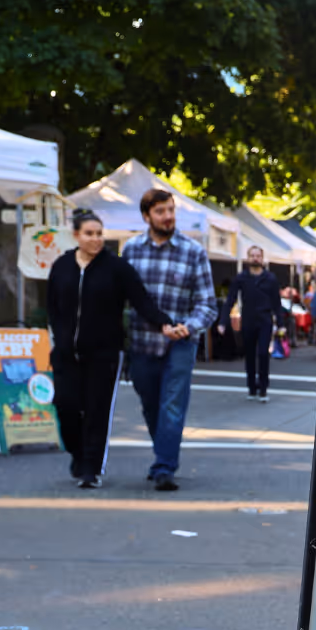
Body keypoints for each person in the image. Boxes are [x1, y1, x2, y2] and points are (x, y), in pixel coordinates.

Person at [45, 209, 176, 489]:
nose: (96, 239)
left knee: (96, 410)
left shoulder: (116, 268)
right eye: (89, 234)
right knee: (66, 407)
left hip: (103, 353)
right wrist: (60, 337)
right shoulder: (62, 266)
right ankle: (77, 453)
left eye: (99, 234)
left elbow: (142, 301)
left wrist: (164, 323)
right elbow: (53, 305)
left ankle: (90, 469)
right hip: (66, 353)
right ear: (76, 235)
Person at [123, 189, 217, 492]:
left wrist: (187, 327)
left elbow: (207, 304)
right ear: (146, 216)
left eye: (171, 210)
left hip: (180, 344)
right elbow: (124, 299)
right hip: (141, 343)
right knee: (151, 406)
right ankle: (162, 453)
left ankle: (165, 466)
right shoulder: (131, 250)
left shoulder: (193, 251)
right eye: (161, 211)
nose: (168, 217)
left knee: (172, 406)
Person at [216, 245, 285, 402]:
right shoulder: (241, 278)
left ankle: (263, 388)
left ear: (262, 258)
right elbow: (230, 300)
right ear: (248, 258)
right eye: (252, 255)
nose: (255, 258)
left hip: (265, 320)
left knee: (262, 353)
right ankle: (252, 387)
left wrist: (281, 324)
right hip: (248, 319)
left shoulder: (270, 278)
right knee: (249, 354)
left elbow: (277, 303)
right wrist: (222, 322)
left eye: (258, 256)